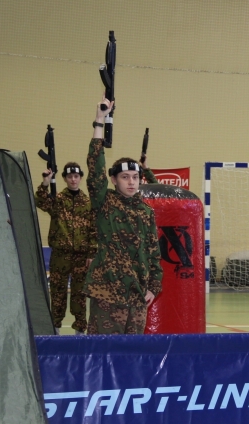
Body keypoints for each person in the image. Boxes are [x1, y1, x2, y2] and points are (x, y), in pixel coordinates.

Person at [83, 96, 163, 334]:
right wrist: (100, 121)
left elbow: (153, 252)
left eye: (135, 177)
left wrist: (153, 287)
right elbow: (95, 169)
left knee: (133, 352)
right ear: (113, 180)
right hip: (107, 293)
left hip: (137, 295)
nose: (131, 182)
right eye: (125, 177)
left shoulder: (146, 212)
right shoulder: (105, 202)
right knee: (103, 350)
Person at [35, 162, 97, 335]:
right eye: (70, 177)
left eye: (76, 176)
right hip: (60, 255)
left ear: (80, 178)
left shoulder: (87, 202)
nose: (73, 180)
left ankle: (79, 332)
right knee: (58, 293)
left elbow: (93, 229)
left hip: (81, 257)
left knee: (79, 294)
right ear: (64, 178)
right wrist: (46, 182)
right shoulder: (58, 200)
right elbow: (40, 201)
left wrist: (92, 253)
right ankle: (55, 330)